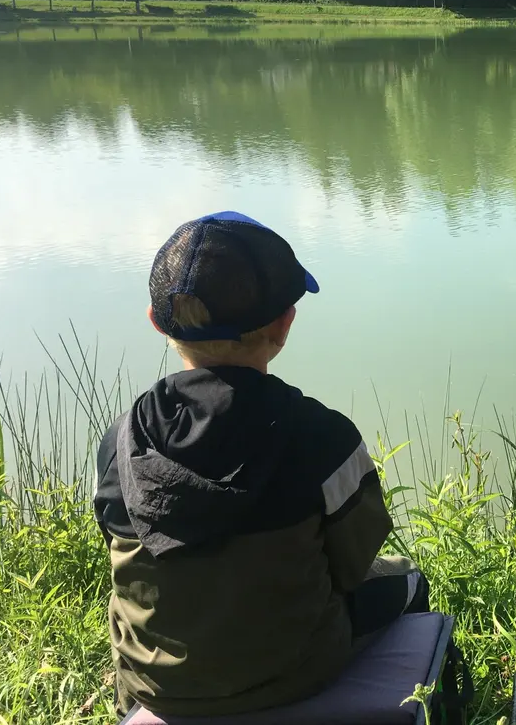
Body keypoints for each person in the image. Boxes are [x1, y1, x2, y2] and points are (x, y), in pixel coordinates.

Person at [93, 212, 428, 718]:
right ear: (284, 324)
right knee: (409, 579)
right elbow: (354, 563)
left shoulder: (121, 440)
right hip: (295, 672)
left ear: (157, 322)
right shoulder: (324, 436)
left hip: (153, 683)